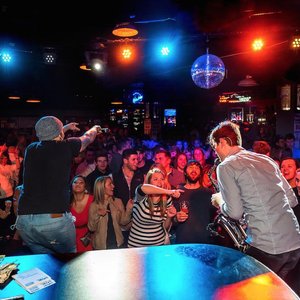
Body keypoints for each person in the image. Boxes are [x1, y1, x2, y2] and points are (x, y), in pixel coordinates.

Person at [209, 120, 300, 284]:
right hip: (295, 242)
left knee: (248, 290)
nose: (216, 153)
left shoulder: (226, 166)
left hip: (269, 247)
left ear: (222, 142)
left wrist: (220, 201)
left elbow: (235, 213)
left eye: (215, 148)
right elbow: (292, 200)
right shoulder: (267, 160)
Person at [16, 116, 102, 254]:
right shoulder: (66, 146)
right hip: (53, 220)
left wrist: (64, 128)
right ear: (60, 133)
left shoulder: (31, 149)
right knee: (67, 262)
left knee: (44, 262)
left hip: (26, 222)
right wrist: (95, 129)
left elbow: (48, 137)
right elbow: (87, 138)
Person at [127, 167, 182, 248]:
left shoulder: (167, 199)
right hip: (137, 245)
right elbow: (143, 188)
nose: (159, 182)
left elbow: (165, 227)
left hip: (158, 245)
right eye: (155, 179)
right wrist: (169, 192)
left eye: (162, 179)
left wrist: (169, 217)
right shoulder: (141, 196)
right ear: (149, 182)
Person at [172, 160, 217, 244]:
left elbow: (215, 218)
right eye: (191, 167)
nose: (194, 170)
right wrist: (176, 218)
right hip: (183, 242)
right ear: (185, 172)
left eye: (197, 168)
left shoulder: (208, 193)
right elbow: (171, 220)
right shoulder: (177, 193)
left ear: (200, 173)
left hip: (204, 243)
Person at [88, 176, 132, 250]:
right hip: (101, 247)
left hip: (118, 243)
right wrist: (97, 215)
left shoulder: (118, 201)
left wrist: (129, 209)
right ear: (101, 187)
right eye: (110, 184)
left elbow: (123, 222)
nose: (113, 186)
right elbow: (91, 228)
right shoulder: (94, 205)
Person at [70, 175, 94, 252]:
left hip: (87, 238)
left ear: (85, 187)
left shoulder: (92, 200)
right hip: (70, 239)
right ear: (71, 185)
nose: (78, 184)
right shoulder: (67, 202)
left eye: (81, 183)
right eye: (75, 182)